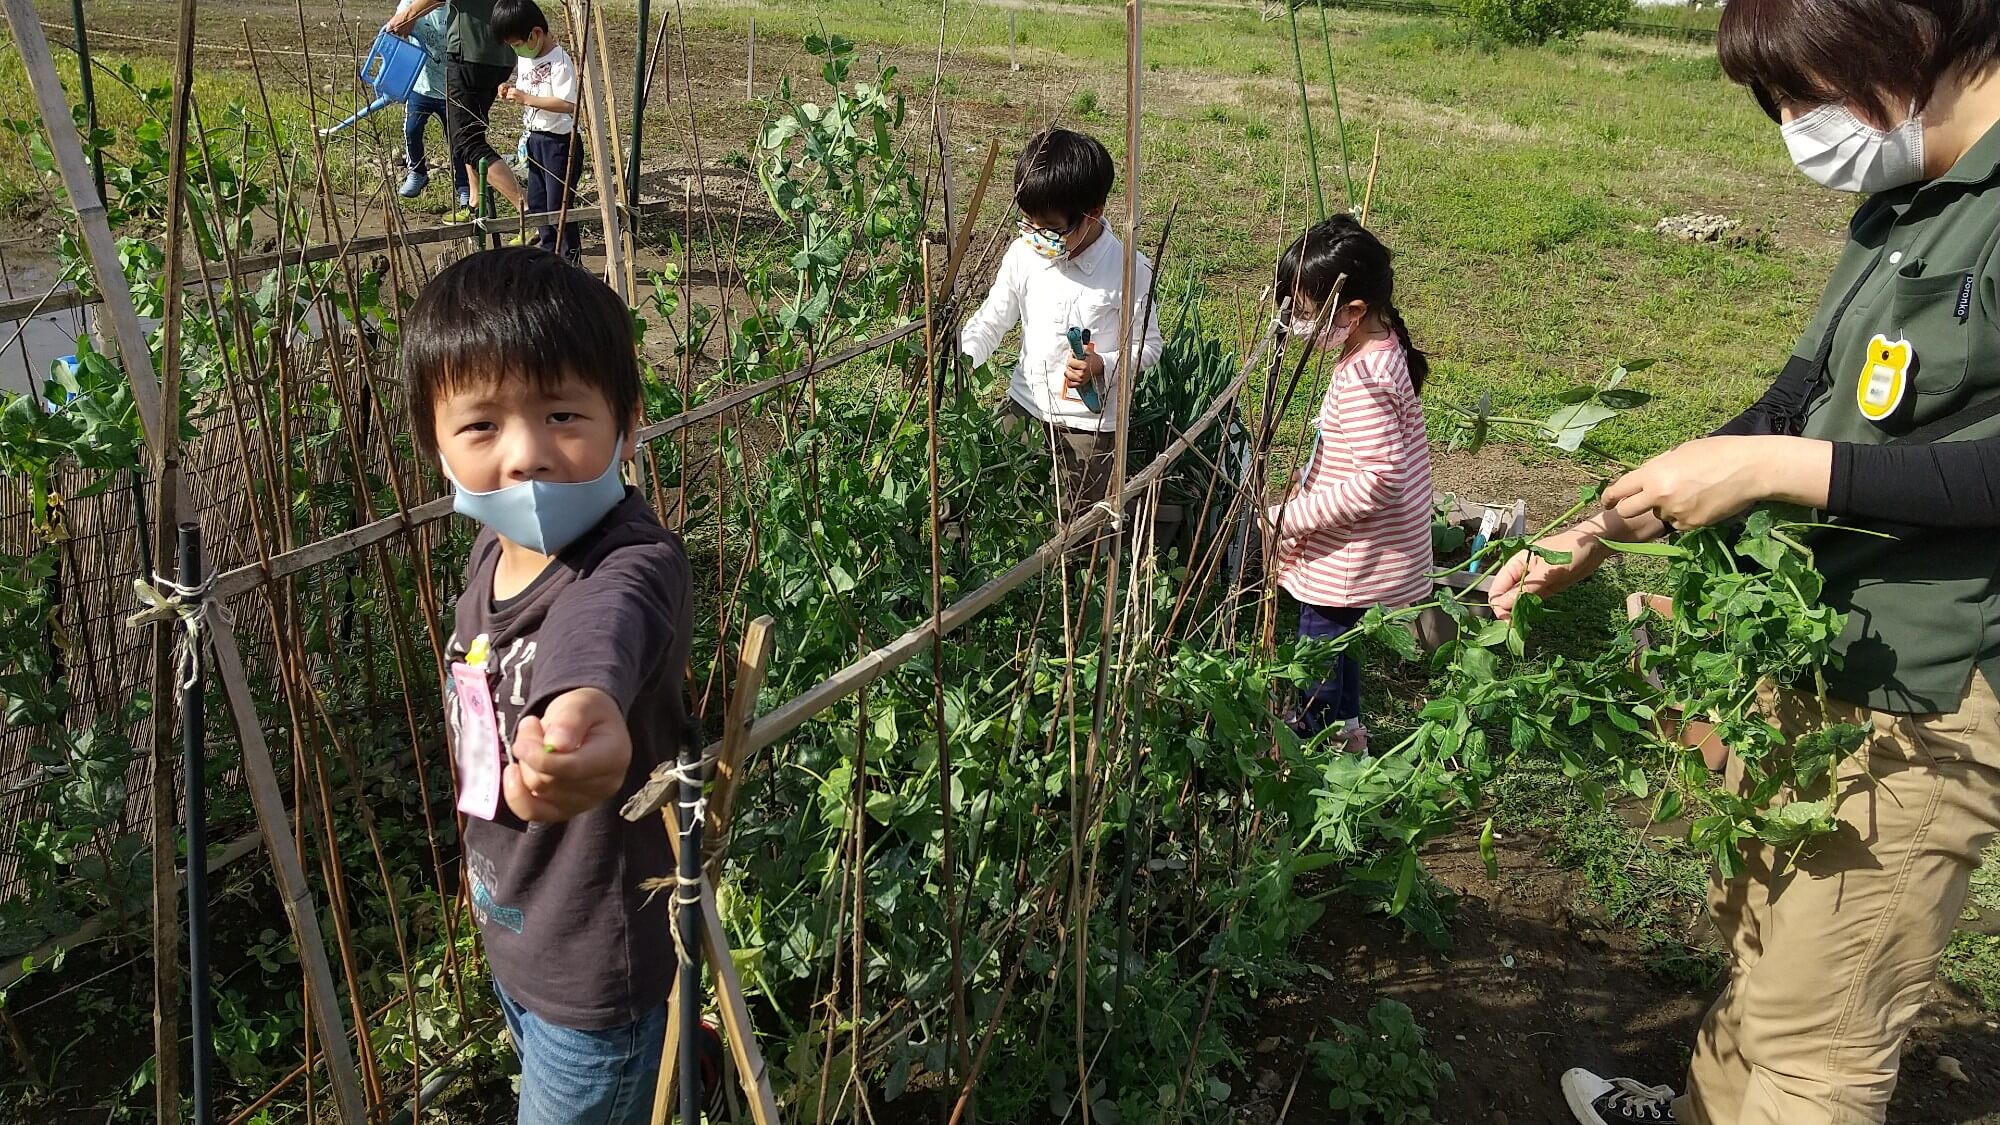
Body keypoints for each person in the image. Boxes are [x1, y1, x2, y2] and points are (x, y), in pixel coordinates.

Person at [1481, 2, 2000, 1122]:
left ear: (1901, 33)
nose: (1793, 127)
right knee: (1766, 935)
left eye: (1800, 91)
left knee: (1820, 1036)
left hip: (1926, 685)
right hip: (1813, 635)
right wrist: (1607, 521)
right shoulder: (1903, 199)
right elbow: (1793, 394)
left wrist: (1777, 470)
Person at [403, 247, 690, 1124]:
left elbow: (594, 645)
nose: (526, 457)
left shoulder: (628, 562)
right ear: (435, 445)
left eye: (564, 413)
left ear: (627, 426)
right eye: (481, 426)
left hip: (594, 979)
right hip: (517, 930)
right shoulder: (494, 550)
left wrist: (583, 721)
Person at [1265, 216, 1433, 754]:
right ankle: (1350, 735)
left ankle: (1311, 747)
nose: (1297, 323)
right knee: (1342, 645)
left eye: (1306, 312)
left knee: (1317, 654)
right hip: (1370, 549)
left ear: (1352, 311)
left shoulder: (1363, 377)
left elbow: (1377, 481)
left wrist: (1290, 516)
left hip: (1350, 558)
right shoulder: (1383, 344)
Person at [959, 127, 1165, 521]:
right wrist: (963, 358)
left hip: (1087, 428)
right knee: (987, 503)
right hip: (1023, 407)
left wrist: (1102, 363)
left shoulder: (1128, 270)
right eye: (1028, 224)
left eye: (1052, 230)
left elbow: (1150, 346)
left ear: (1093, 214)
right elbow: (991, 320)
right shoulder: (1024, 255)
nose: (1038, 238)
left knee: (1076, 528)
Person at [387, 0, 528, 218]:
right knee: (470, 132)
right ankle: (475, 201)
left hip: (471, 51)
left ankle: (526, 211)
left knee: (465, 141)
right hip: (500, 53)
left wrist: (409, 15)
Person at [493, 0, 584, 262]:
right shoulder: (525, 58)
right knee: (538, 202)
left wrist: (526, 99)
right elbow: (526, 88)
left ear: (536, 33)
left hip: (560, 144)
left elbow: (569, 104)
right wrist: (507, 89)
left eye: (518, 43)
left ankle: (569, 259)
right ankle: (547, 255)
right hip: (535, 139)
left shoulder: (560, 60)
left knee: (559, 206)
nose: (516, 49)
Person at [393, 0, 471, 205]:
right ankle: (417, 172)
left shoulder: (457, 8)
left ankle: (463, 185)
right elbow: (398, 23)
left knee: (457, 139)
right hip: (422, 84)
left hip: (452, 88)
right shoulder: (410, 4)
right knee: (412, 129)